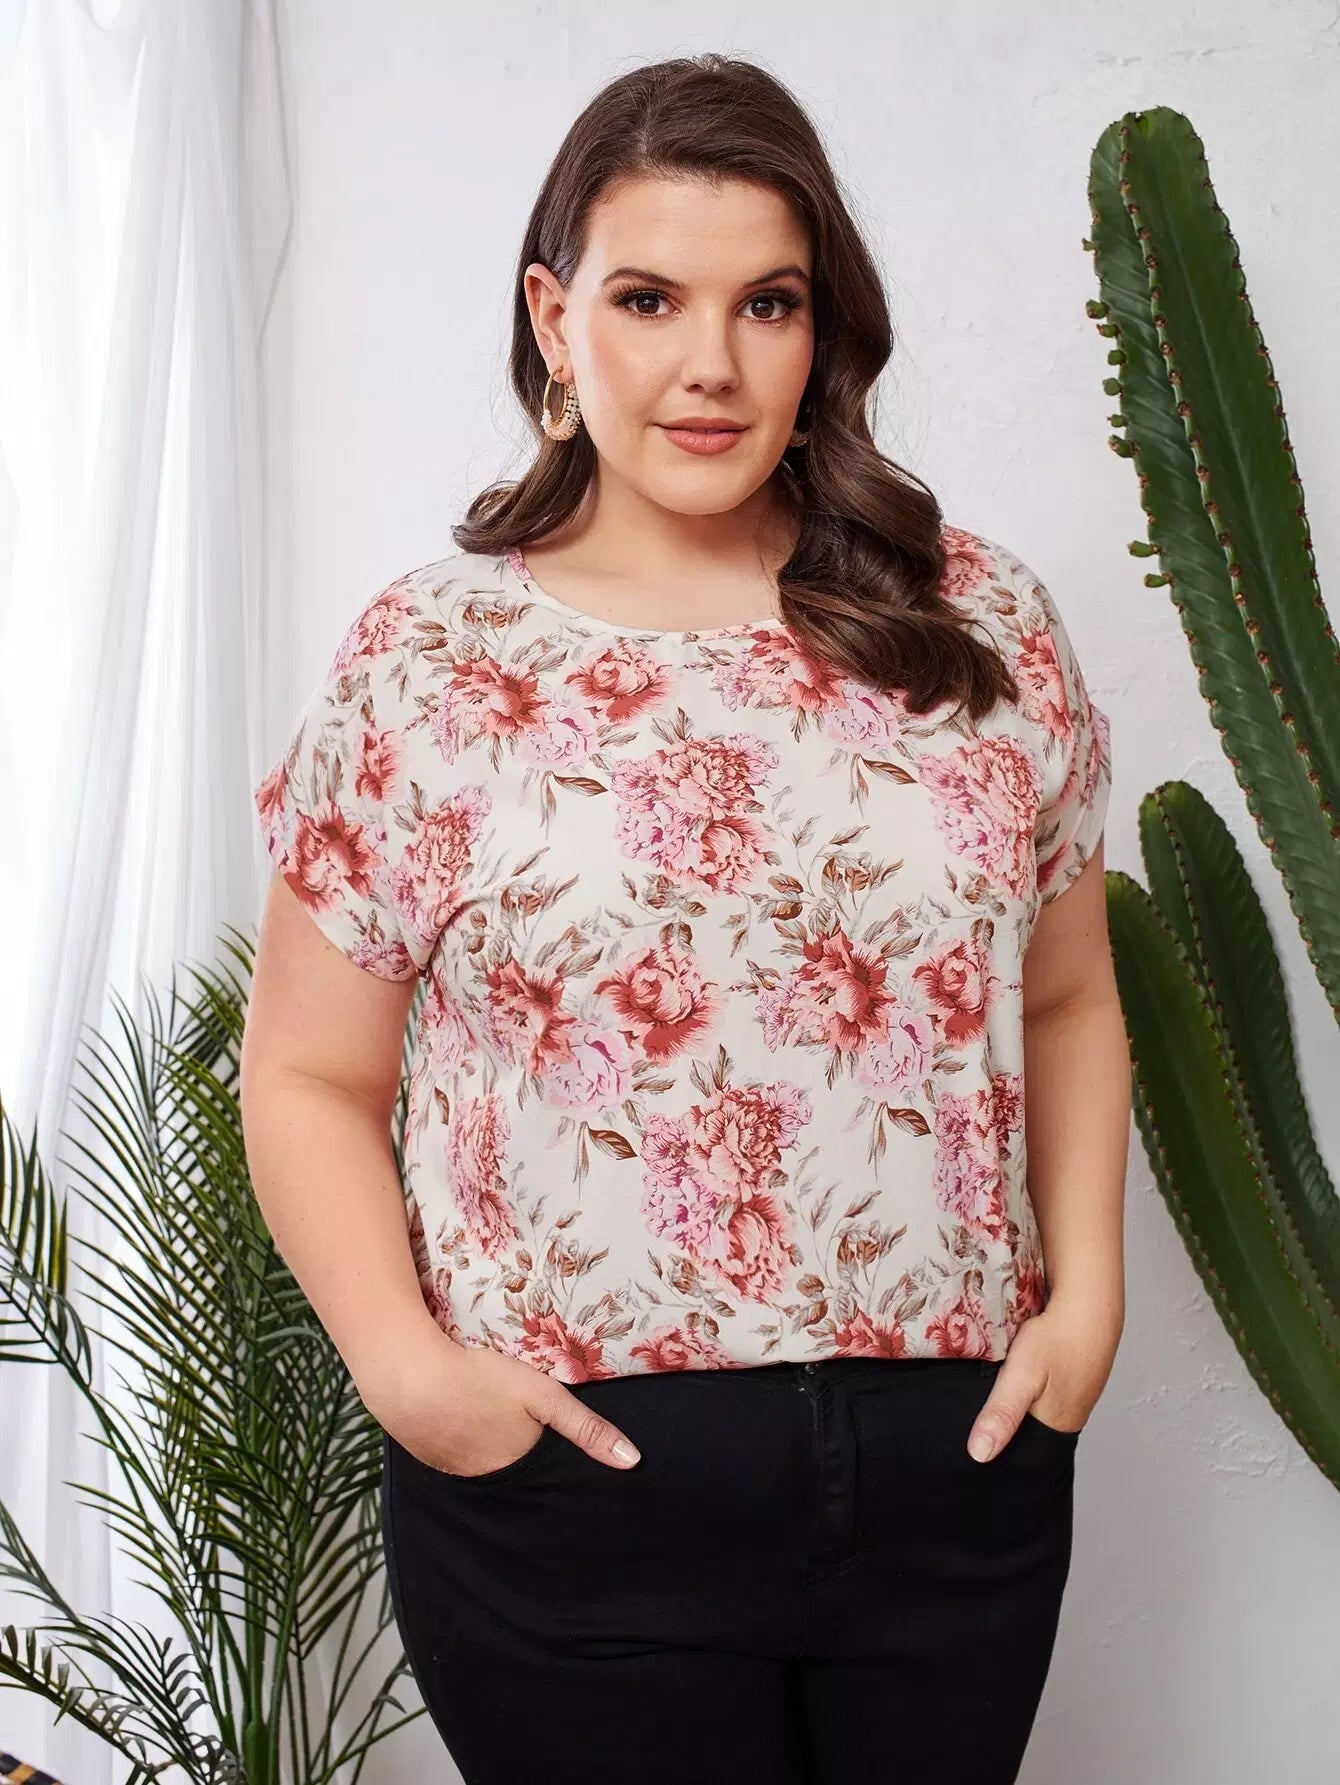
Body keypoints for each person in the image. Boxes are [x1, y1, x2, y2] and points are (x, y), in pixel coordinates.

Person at [240, 51, 1129, 1785]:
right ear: (555, 322)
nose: (711, 363)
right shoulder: (429, 664)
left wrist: (1084, 1304)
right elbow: (306, 1074)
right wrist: (414, 1379)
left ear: (821, 331)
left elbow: (1070, 997)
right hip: (570, 1497)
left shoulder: (981, 627)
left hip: (955, 1477)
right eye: (649, 299)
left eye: (766, 303)